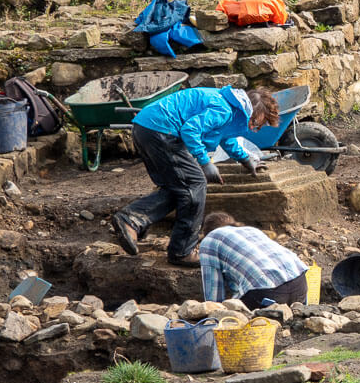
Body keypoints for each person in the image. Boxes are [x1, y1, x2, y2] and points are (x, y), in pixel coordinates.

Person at [110, 86, 279, 267]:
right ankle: (182, 251)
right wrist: (205, 162)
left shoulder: (230, 107)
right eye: (261, 122)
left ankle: (132, 221)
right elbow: (190, 130)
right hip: (163, 131)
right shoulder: (224, 109)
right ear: (255, 111)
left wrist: (245, 159)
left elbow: (225, 137)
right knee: (195, 185)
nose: (258, 127)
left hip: (146, 128)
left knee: (179, 187)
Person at [198, 212, 309, 306]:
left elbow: (214, 296)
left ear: (207, 232)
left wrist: (214, 314)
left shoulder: (209, 240)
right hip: (300, 285)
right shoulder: (251, 230)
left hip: (267, 293)